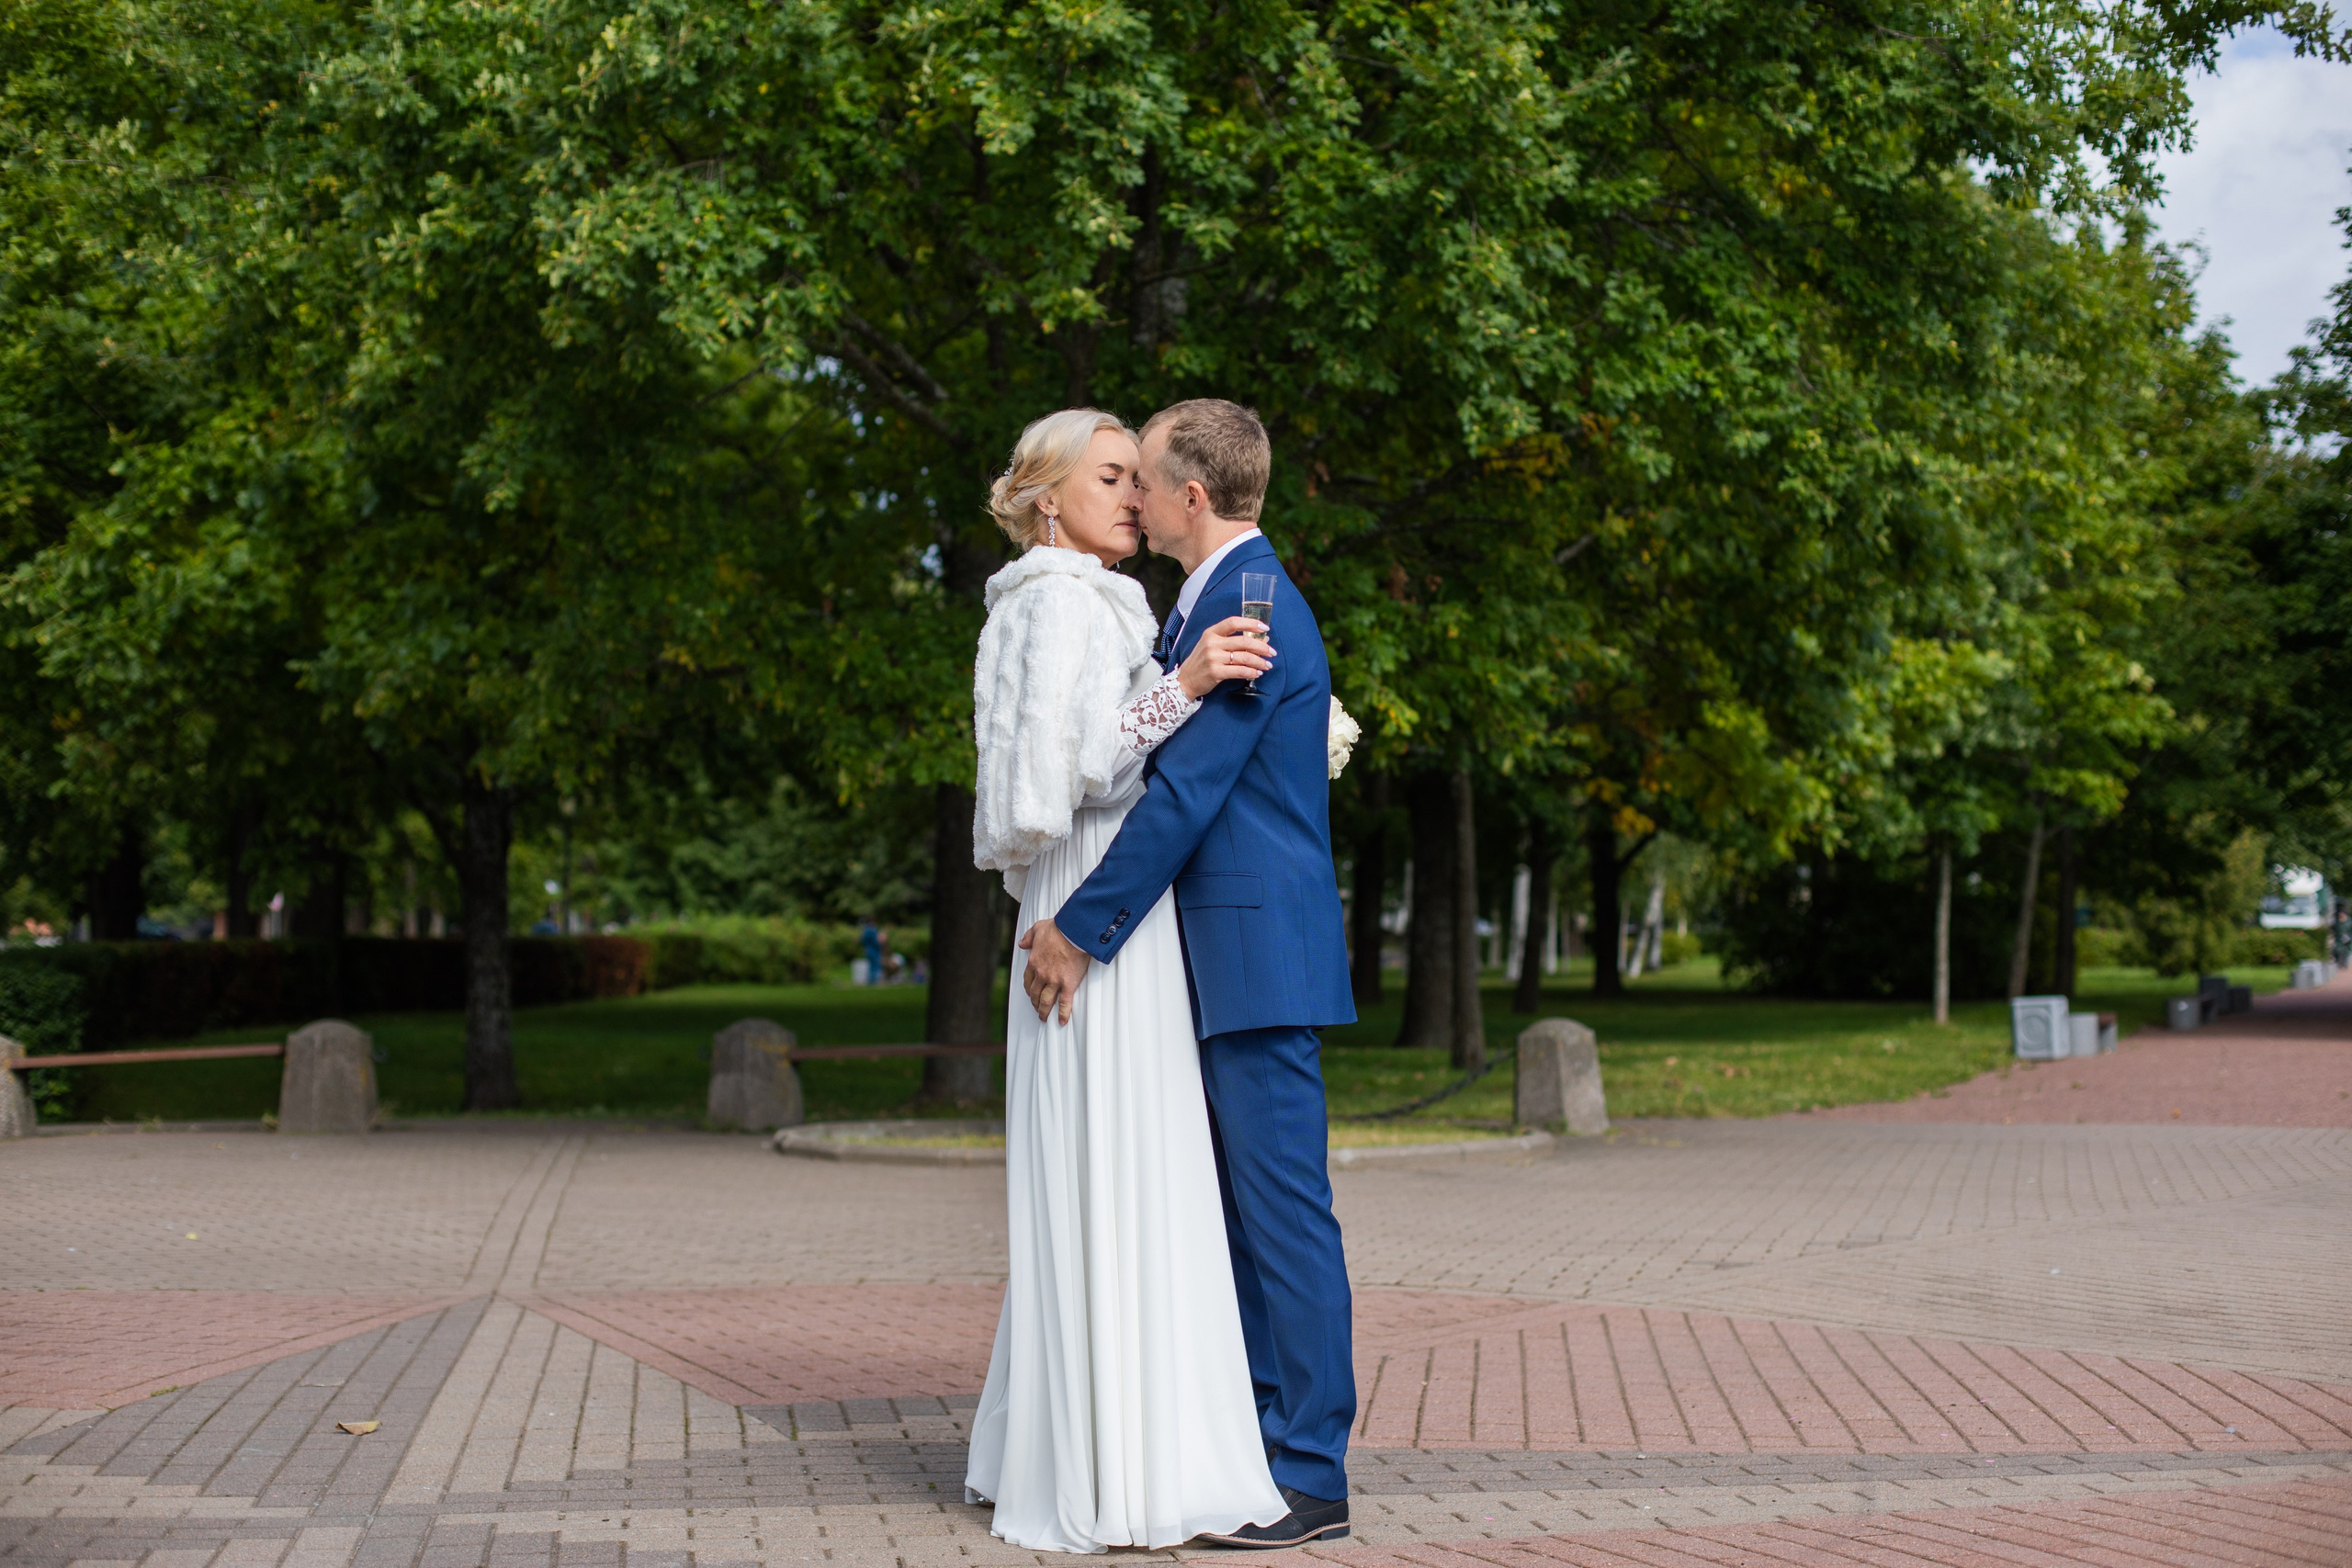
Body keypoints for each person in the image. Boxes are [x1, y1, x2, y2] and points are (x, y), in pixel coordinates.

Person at [1018, 399, 1360, 1550]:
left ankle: (1309, 1472)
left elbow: (1188, 793)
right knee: (1245, 1226)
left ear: (1193, 496)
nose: (1135, 497)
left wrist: (1079, 929)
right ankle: (1260, 1448)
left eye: (1145, 480)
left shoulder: (1247, 604)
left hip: (1255, 957)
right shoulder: (1210, 603)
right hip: (1221, 953)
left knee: (1282, 1220)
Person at [965, 407, 1287, 1553]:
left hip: (1107, 888)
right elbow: (1080, 770)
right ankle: (1116, 1460)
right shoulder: (1059, 600)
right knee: (1117, 1159)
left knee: (1123, 1159)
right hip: (1094, 888)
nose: (1133, 498)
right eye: (1109, 478)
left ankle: (1089, 1441)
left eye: (1134, 477)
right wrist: (1186, 681)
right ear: (1048, 499)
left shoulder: (1091, 597)